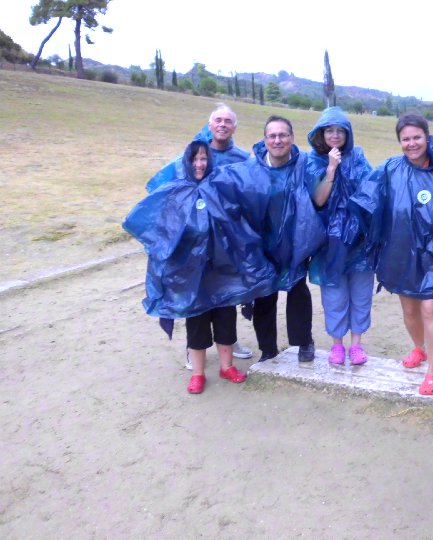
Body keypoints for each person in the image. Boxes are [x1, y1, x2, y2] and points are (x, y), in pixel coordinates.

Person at [123, 140, 277, 394]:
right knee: (196, 322)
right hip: (190, 275)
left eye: (204, 158)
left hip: (223, 272)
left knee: (226, 319)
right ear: (186, 161)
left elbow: (240, 221)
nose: (199, 164)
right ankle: (197, 373)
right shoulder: (175, 192)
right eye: (195, 159)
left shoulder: (220, 188)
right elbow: (159, 230)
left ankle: (226, 366)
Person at [351, 113, 433, 395]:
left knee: (429, 309)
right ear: (399, 141)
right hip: (400, 250)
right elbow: (367, 200)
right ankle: (419, 349)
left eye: (416, 137)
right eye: (405, 139)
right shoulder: (390, 168)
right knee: (410, 310)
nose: (411, 143)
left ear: (427, 137)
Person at [146, 103, 255, 368]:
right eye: (218, 120)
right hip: (195, 243)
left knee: (229, 291)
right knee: (194, 292)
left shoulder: (242, 158)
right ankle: (193, 349)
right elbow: (163, 190)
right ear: (209, 125)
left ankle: (229, 343)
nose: (222, 125)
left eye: (228, 121)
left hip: (227, 242)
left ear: (234, 127)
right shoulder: (194, 154)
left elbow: (250, 194)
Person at [226, 115, 324, 363]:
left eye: (283, 135)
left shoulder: (304, 166)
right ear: (265, 139)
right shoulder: (252, 168)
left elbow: (318, 198)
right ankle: (267, 348)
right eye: (272, 135)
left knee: (298, 292)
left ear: (291, 138)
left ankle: (304, 342)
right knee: (264, 296)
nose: (277, 140)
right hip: (262, 245)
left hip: (295, 243)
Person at [306, 107, 374, 365]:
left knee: (360, 291)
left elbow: (370, 191)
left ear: (347, 133)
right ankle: (337, 345)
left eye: (339, 130)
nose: (334, 135)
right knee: (334, 294)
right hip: (329, 242)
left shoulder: (358, 157)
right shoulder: (314, 161)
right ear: (321, 134)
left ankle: (356, 344)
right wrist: (332, 169)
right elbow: (318, 200)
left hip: (359, 240)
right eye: (329, 130)